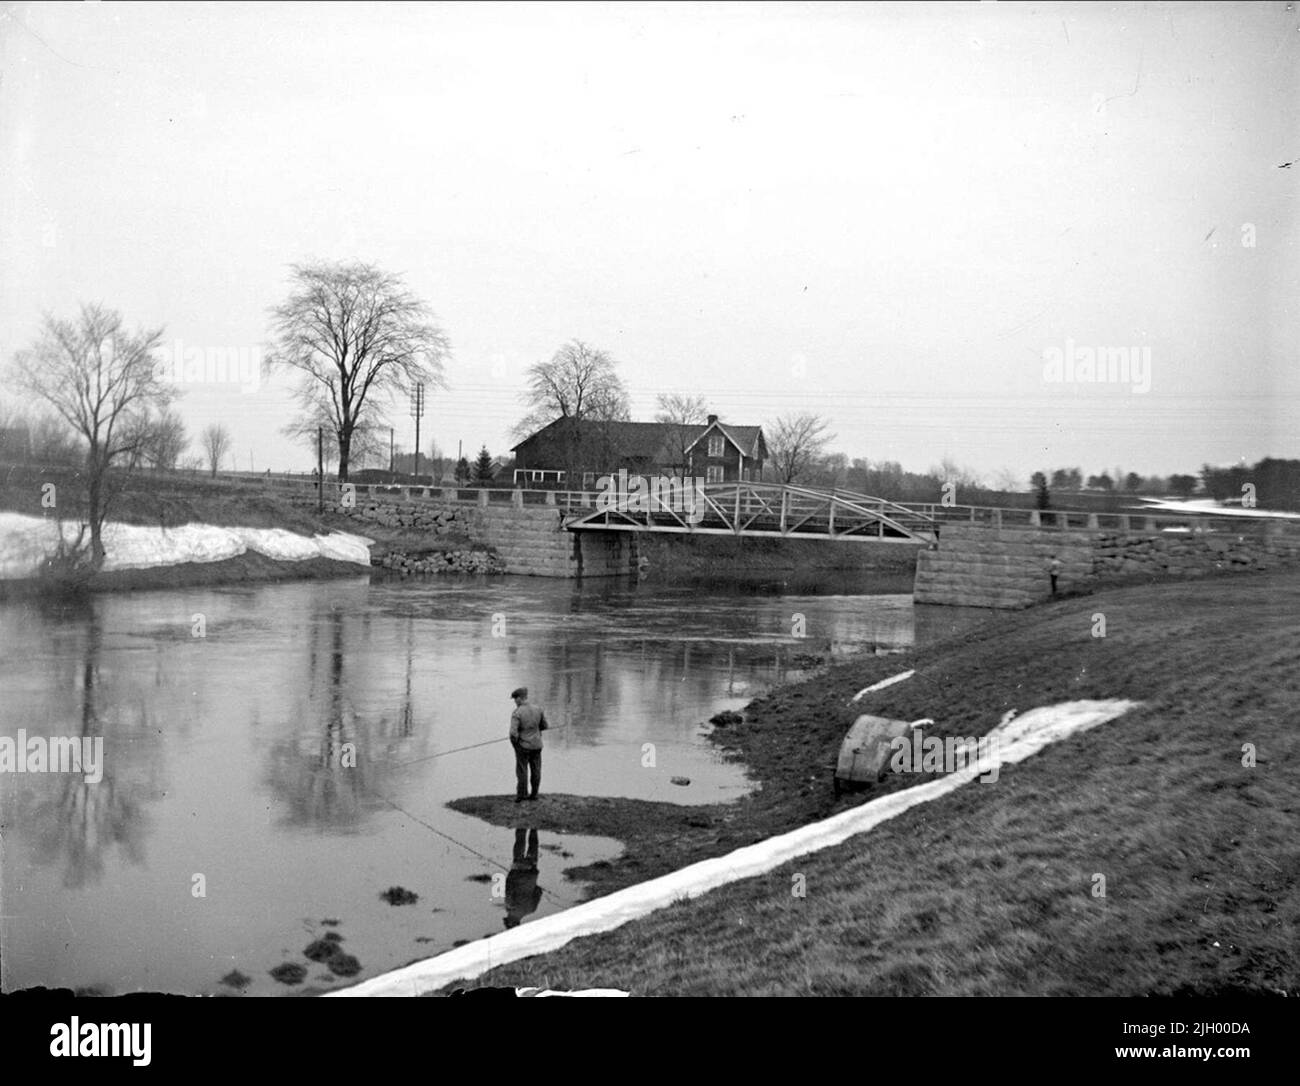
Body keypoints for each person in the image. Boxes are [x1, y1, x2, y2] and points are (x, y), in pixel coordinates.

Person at [509, 686, 547, 802]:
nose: (515, 701)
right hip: (537, 745)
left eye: (515, 699)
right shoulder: (538, 709)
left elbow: (513, 733)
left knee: (522, 770)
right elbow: (545, 726)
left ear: (520, 698)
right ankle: (534, 794)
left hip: (523, 746)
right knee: (536, 770)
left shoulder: (517, 713)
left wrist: (516, 744)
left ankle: (521, 795)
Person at [504, 826, 542, 929]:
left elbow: (538, 891)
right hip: (518, 872)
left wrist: (531, 884)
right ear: (510, 919)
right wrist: (511, 874)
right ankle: (521, 827)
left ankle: (534, 828)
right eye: (507, 918)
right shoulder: (510, 906)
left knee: (533, 848)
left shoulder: (531, 910)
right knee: (519, 845)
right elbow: (509, 889)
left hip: (532, 873)